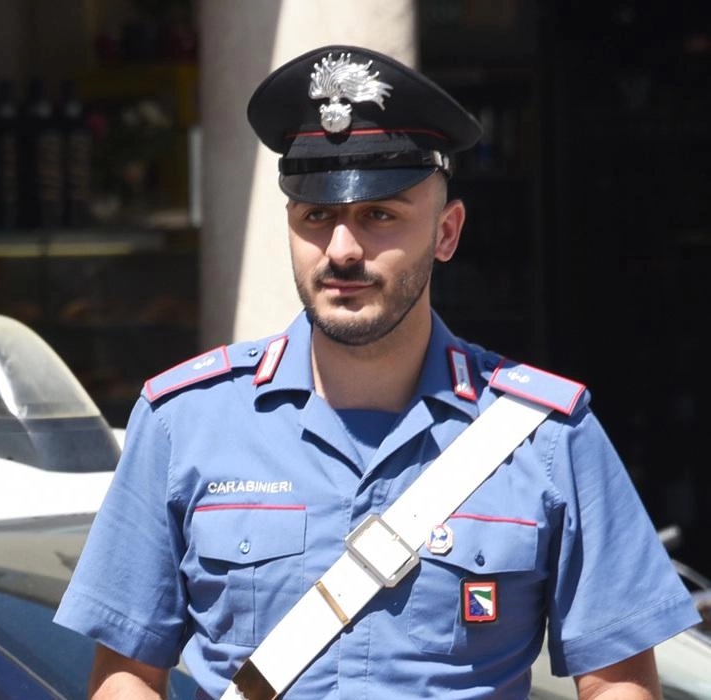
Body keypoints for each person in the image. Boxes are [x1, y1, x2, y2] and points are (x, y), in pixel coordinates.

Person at [53, 45, 700, 700]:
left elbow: (620, 685)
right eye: (317, 216)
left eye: (379, 216)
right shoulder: (184, 422)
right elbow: (127, 676)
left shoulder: (550, 438)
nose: (341, 250)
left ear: (446, 234)